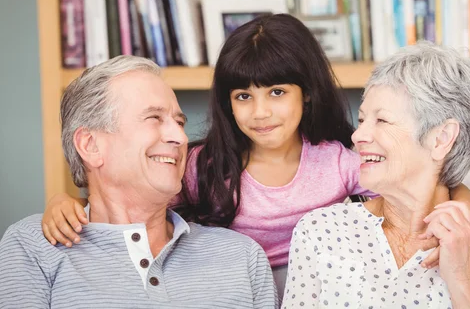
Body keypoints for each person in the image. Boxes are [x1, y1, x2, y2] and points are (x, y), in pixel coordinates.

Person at [40, 14, 470, 298]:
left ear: (306, 94)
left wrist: (465, 215)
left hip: (316, 287)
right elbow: (131, 206)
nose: (261, 111)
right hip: (229, 289)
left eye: (276, 92)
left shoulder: (337, 161)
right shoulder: (203, 167)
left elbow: (425, 186)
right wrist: (67, 203)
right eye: (243, 95)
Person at [0, 56, 277, 308]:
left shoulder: (242, 256)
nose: (180, 138)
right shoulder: (33, 246)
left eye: (179, 122)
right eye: (154, 118)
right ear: (90, 146)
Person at [281, 42, 470, 308]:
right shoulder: (322, 232)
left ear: (441, 139)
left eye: (381, 120)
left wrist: (461, 280)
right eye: (361, 120)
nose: (357, 136)